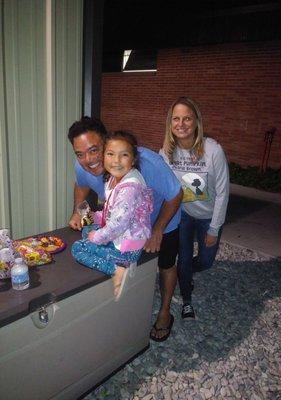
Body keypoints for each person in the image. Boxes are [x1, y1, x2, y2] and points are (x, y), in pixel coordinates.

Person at [67, 117, 182, 341]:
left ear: (108, 142)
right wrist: (77, 213)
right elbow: (81, 185)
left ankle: (165, 312)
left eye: (94, 150)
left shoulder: (147, 162)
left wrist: (158, 229)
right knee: (93, 235)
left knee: (166, 264)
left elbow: (176, 194)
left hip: (163, 217)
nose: (88, 160)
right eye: (79, 154)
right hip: (125, 224)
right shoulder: (83, 164)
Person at [160, 97, 229, 320]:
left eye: (187, 118)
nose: (181, 124)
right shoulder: (166, 153)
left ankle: (187, 271)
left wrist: (214, 229)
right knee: (185, 258)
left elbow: (222, 192)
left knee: (207, 261)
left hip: (208, 216)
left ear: (196, 121)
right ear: (170, 124)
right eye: (176, 119)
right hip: (183, 216)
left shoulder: (213, 150)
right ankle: (186, 297)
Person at [71, 131, 153, 300]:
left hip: (126, 248)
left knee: (78, 248)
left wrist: (98, 237)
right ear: (104, 156)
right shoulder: (115, 178)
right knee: (87, 230)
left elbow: (118, 225)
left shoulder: (130, 188)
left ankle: (117, 269)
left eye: (124, 155)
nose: (116, 161)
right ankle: (109, 252)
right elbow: (114, 212)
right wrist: (96, 217)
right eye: (110, 154)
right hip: (123, 234)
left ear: (133, 159)